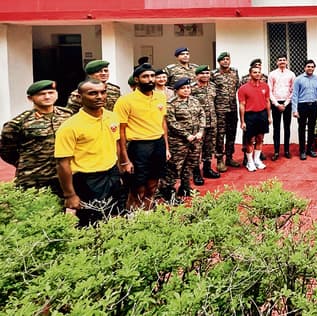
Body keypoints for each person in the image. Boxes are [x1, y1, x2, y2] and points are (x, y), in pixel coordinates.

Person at [54, 80, 125, 227]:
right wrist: (70, 195)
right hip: (88, 180)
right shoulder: (70, 126)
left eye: (103, 92)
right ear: (79, 97)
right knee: (92, 222)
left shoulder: (112, 117)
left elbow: (115, 144)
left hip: (111, 173)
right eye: (93, 93)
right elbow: (63, 164)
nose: (99, 96)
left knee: (116, 214)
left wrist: (117, 172)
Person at [1, 80, 73, 196]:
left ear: (56, 94)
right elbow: (6, 151)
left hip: (63, 176)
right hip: (33, 178)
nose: (47, 96)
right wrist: (27, 162)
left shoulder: (67, 115)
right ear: (30, 98)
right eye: (41, 94)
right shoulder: (18, 122)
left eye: (51, 92)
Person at [113, 63, 170, 211]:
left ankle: (147, 215)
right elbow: (121, 131)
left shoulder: (160, 97)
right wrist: (124, 160)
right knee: (137, 188)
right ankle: (133, 216)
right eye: (145, 76)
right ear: (136, 79)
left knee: (153, 185)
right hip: (138, 147)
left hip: (158, 144)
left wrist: (166, 148)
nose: (150, 79)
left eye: (152, 76)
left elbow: (162, 123)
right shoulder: (125, 101)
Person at [164, 77, 205, 200]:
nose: (186, 90)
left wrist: (201, 131)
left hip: (195, 139)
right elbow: (171, 122)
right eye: (183, 88)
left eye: (188, 87)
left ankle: (185, 187)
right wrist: (186, 135)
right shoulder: (171, 103)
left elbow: (202, 115)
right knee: (174, 166)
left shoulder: (194, 101)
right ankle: (169, 191)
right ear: (176, 90)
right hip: (178, 141)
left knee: (190, 163)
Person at [238, 66, 272, 171]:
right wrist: (242, 121)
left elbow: (267, 102)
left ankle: (257, 160)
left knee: (260, 139)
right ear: (250, 74)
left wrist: (269, 116)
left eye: (259, 72)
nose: (257, 74)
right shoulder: (243, 88)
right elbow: (242, 105)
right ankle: (250, 162)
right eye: (254, 72)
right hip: (250, 116)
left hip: (262, 115)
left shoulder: (265, 86)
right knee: (250, 140)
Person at [191, 65, 221, 180]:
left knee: (209, 147)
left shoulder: (213, 86)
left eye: (207, 73)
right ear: (197, 75)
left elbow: (215, 103)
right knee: (196, 149)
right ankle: (196, 173)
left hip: (212, 122)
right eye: (202, 73)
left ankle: (207, 169)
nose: (205, 75)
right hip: (198, 124)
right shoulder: (191, 88)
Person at [212, 51, 241, 170]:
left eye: (227, 59)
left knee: (231, 134)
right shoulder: (214, 74)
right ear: (219, 62)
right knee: (220, 135)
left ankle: (229, 158)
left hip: (233, 108)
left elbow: (237, 87)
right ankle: (219, 160)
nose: (225, 61)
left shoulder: (234, 72)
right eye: (223, 59)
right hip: (220, 110)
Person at [292, 60, 317, 160]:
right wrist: (295, 110)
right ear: (304, 68)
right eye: (308, 66)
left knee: (311, 128)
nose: (310, 68)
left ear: (314, 68)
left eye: (312, 67)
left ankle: (310, 149)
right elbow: (295, 95)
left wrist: (312, 98)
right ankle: (302, 151)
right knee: (301, 128)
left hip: (313, 105)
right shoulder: (298, 79)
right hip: (302, 106)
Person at [269, 55, 295, 160]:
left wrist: (286, 103)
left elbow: (293, 90)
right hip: (276, 103)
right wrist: (276, 104)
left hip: (287, 103)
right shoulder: (272, 74)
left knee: (287, 128)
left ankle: (287, 151)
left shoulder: (291, 74)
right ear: (277, 62)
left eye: (284, 60)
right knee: (276, 128)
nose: (282, 62)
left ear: (287, 62)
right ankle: (276, 152)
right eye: (280, 60)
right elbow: (269, 90)